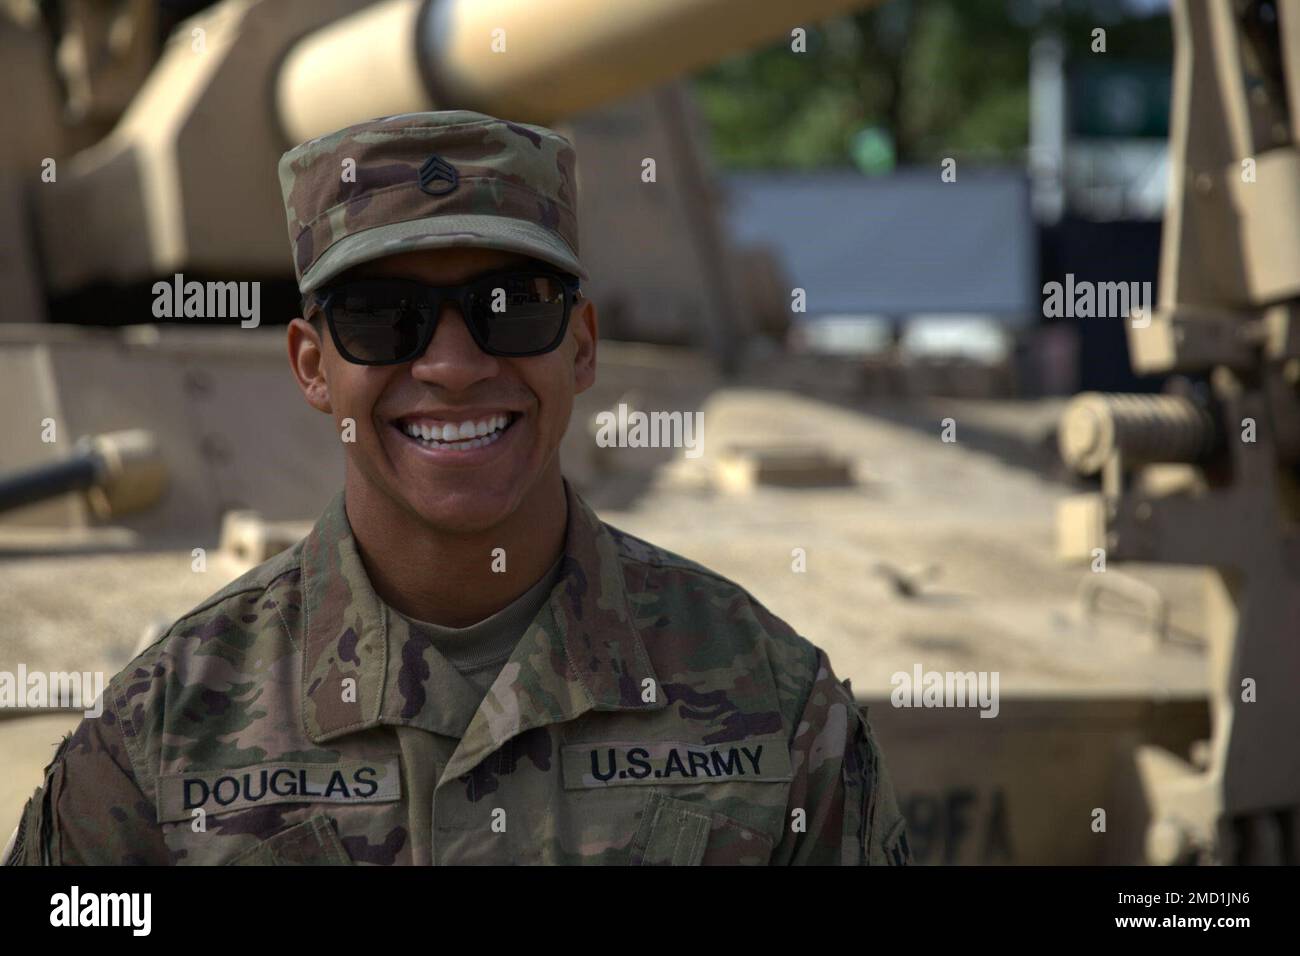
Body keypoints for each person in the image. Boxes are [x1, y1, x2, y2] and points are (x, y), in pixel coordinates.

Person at [4, 110, 910, 865]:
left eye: (513, 306)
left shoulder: (778, 707)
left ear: (583, 345)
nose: (451, 365)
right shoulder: (157, 738)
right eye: (381, 316)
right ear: (313, 366)